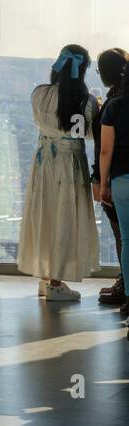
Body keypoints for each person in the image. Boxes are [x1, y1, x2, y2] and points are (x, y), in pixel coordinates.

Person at [17, 45, 100, 300]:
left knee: (45, 214)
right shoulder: (86, 101)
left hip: (44, 162)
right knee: (65, 217)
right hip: (71, 163)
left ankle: (45, 277)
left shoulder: (40, 94)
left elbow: (40, 122)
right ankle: (55, 281)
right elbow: (87, 134)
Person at [92, 48, 128, 307]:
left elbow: (104, 150)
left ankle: (126, 291)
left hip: (120, 179)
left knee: (124, 239)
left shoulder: (113, 105)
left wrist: (101, 182)